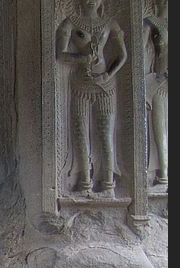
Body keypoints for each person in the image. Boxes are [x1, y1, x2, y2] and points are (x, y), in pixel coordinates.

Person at [56, 0, 127, 197]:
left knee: (105, 134)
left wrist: (107, 75)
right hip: (81, 83)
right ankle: (85, 182)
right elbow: (60, 55)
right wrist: (82, 59)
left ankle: (108, 185)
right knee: (80, 132)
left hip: (105, 84)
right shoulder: (70, 22)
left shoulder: (110, 23)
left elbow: (122, 55)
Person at [144, 0, 168, 186]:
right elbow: (142, 52)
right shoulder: (150, 22)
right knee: (159, 128)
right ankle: (163, 174)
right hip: (159, 80)